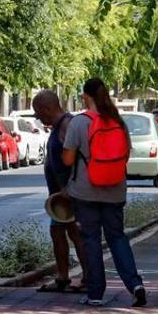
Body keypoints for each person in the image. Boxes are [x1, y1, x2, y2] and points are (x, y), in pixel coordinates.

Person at [63, 78, 147, 307]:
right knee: (117, 237)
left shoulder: (79, 123)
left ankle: (96, 294)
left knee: (91, 240)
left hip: (86, 191)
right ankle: (135, 285)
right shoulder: (118, 121)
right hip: (115, 190)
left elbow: (68, 159)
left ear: (85, 96)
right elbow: (125, 156)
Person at [31, 89, 90, 293]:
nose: (37, 117)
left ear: (48, 108)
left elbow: (78, 157)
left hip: (69, 194)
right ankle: (63, 277)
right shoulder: (60, 126)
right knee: (57, 232)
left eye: (38, 112)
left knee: (76, 233)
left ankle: (89, 277)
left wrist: (70, 186)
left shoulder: (67, 125)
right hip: (60, 195)